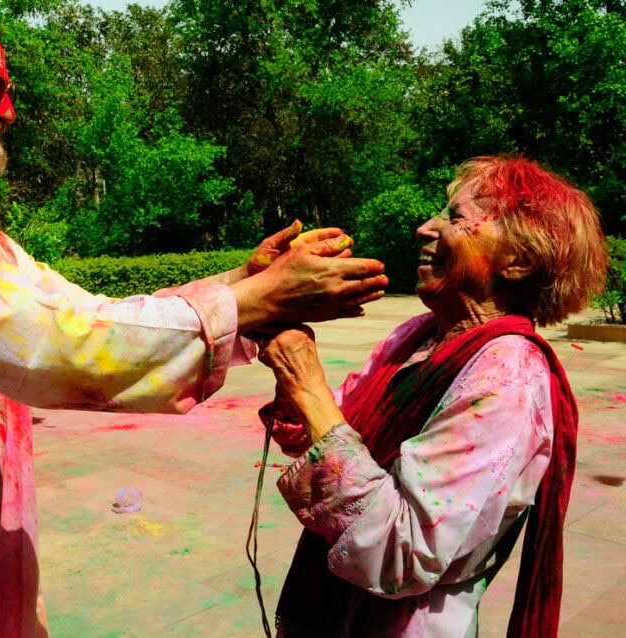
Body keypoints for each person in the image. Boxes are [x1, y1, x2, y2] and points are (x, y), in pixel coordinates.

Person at [0, 6, 389, 636]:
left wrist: (248, 283)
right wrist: (265, 301)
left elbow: (89, 317)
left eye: (8, 92)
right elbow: (53, 345)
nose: (6, 111)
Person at [255, 156, 608, 637]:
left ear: (519, 262)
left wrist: (306, 385)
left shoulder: (508, 378)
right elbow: (331, 425)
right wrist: (270, 303)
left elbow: (400, 553)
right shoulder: (419, 335)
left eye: (456, 219)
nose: (426, 228)